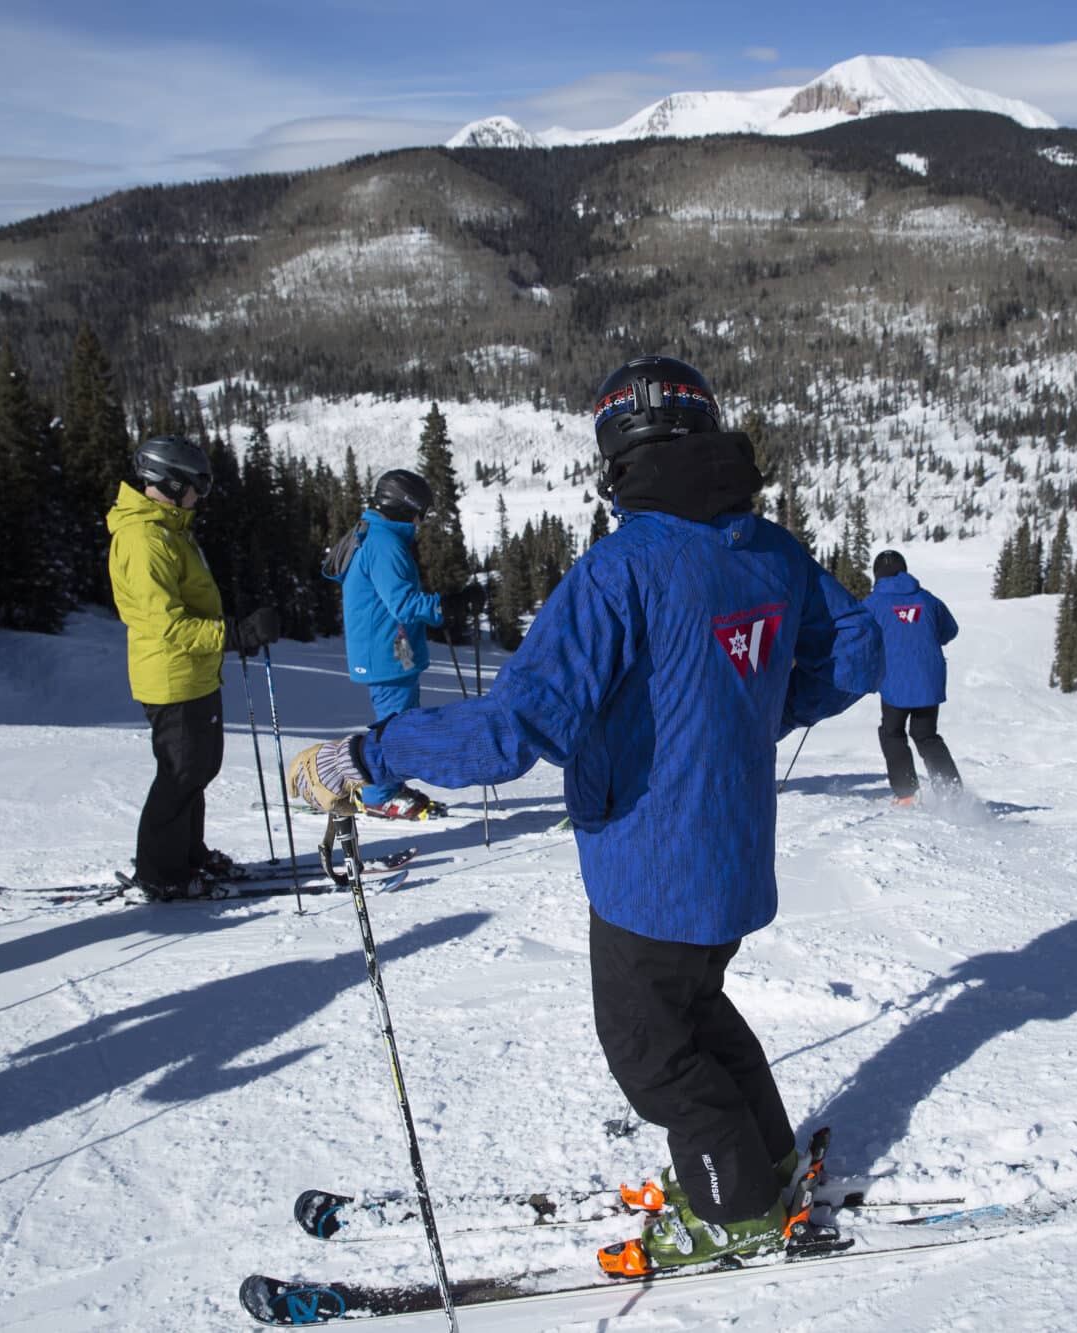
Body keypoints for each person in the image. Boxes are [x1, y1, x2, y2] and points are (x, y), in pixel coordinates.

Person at [291, 355, 882, 1270]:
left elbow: (510, 729)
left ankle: (740, 1205)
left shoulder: (623, 568)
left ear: (617, 453)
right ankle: (762, 1156)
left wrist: (372, 752)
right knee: (697, 1008)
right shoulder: (768, 547)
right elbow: (858, 646)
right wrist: (760, 708)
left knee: (649, 1049)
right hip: (730, 855)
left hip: (648, 865)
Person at [106, 434, 279, 899]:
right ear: (171, 481)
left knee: (197, 770)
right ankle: (162, 874)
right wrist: (233, 635)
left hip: (193, 671)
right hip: (172, 676)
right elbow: (166, 623)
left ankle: (188, 855)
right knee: (180, 775)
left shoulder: (168, 529)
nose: (201, 495)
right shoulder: (144, 538)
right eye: (197, 485)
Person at [322, 468, 469, 820]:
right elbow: (403, 604)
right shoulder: (385, 544)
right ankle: (378, 794)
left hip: (385, 649)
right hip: (387, 653)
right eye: (421, 512)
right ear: (406, 507)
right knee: (397, 727)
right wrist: (444, 606)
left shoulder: (373, 533)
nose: (422, 520)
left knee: (399, 723)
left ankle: (388, 784)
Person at [860, 549, 962, 804]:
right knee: (926, 735)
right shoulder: (927, 599)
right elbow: (950, 630)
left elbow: (860, 636)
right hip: (929, 678)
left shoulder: (873, 603)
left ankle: (906, 793)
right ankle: (951, 794)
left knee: (892, 732)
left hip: (895, 680)